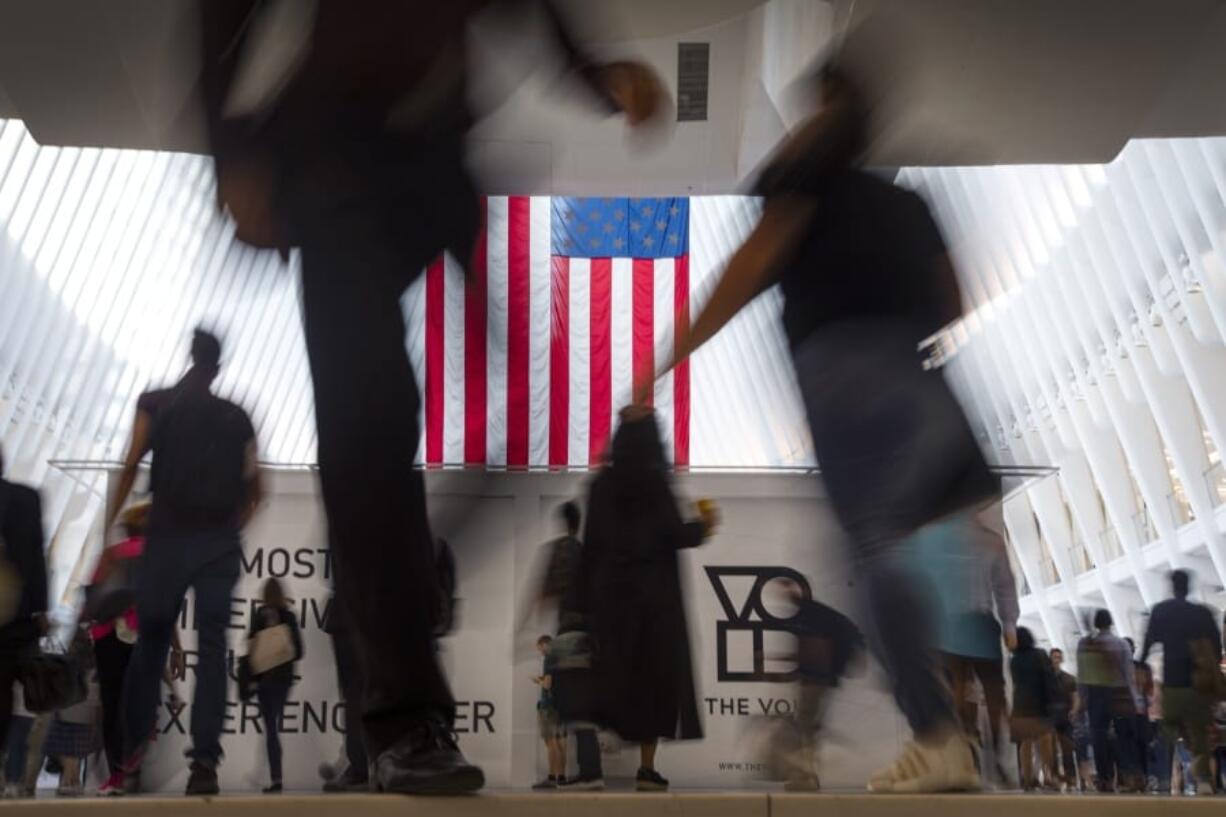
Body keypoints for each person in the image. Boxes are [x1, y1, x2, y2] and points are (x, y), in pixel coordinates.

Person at [198, 0, 664, 796]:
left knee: (392, 444)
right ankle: (401, 719)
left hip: (426, 173)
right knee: (370, 427)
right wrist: (229, 145)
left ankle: (393, 640)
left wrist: (593, 73)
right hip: (332, 162)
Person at [647, 63, 997, 793]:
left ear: (829, 113)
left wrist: (664, 359)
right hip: (920, 379)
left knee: (871, 553)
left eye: (810, 107)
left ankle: (935, 733)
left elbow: (747, 268)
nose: (798, 120)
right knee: (888, 554)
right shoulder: (904, 202)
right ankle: (922, 728)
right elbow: (955, 296)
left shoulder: (805, 175)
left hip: (847, 379)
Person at [106, 328, 263, 796]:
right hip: (216, 542)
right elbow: (258, 490)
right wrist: (229, 528)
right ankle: (204, 766)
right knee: (213, 649)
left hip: (167, 539)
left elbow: (133, 459)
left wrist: (109, 529)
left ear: (189, 359)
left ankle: (132, 754)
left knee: (150, 645)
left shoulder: (154, 403)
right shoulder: (238, 418)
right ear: (217, 367)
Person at [580, 408, 717, 792]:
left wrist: (582, 604)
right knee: (655, 683)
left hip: (612, 602)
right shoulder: (656, 483)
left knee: (614, 675)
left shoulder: (600, 485)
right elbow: (676, 534)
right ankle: (646, 768)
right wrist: (704, 526)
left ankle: (592, 764)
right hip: (655, 601)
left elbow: (590, 546)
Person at [906, 509, 1016, 785]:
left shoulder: (934, 538)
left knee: (968, 689)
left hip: (960, 622)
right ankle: (978, 750)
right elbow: (1004, 585)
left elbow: (1004, 585)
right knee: (982, 691)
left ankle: (978, 750)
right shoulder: (986, 541)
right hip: (966, 621)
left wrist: (1009, 623)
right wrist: (1009, 624)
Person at [526, 501, 604, 791]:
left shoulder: (559, 550)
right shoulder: (587, 553)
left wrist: (526, 625)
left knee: (571, 707)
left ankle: (590, 773)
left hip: (569, 635)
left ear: (562, 522)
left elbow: (543, 591)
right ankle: (591, 769)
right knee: (583, 706)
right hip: (589, 638)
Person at [1141, 569, 1222, 796]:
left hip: (1173, 684)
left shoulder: (1161, 611)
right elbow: (1216, 647)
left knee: (1167, 731)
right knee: (1199, 735)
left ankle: (1163, 778)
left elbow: (1147, 643)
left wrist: (1139, 665)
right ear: (1189, 587)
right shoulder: (1202, 613)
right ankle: (1204, 780)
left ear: (1171, 586)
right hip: (1197, 686)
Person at [0, 446, 48, 765]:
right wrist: (40, 608)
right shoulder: (25, 499)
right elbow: (35, 557)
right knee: (4, 690)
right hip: (13, 612)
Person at [250, 578, 305, 794]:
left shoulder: (258, 616)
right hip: (282, 679)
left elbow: (250, 647)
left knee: (270, 729)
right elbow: (299, 651)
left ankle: (275, 778)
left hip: (263, 679)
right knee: (275, 728)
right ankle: (276, 778)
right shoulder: (288, 617)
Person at [1076, 609, 1140, 793]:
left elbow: (1082, 675)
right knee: (1123, 737)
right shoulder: (1121, 645)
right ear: (1110, 623)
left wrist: (1082, 699)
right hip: (1119, 694)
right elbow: (1128, 675)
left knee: (1098, 737)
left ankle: (1105, 778)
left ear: (1096, 624)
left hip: (1096, 695)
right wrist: (1135, 700)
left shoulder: (1085, 644)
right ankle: (1127, 776)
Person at [1008, 628, 1058, 791]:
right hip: (1039, 704)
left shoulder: (1014, 660)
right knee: (1045, 743)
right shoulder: (1040, 654)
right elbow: (1049, 678)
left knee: (1026, 744)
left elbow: (1015, 684)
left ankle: (1027, 779)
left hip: (1021, 706)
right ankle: (1050, 777)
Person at [531, 635, 566, 789]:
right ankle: (562, 777)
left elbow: (547, 685)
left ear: (543, 644)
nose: (539, 651)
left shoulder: (549, 659)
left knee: (551, 742)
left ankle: (551, 777)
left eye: (539, 647)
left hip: (548, 706)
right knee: (560, 742)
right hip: (560, 704)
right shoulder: (560, 660)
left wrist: (537, 681)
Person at [1123, 636, 1154, 792]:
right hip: (1124, 712)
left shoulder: (1142, 667)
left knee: (1141, 745)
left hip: (1141, 712)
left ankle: (1144, 777)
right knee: (1128, 746)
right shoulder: (1117, 669)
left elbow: (1149, 689)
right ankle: (1134, 778)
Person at [1047, 647, 1079, 790]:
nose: (1056, 659)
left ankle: (1070, 777)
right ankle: (1055, 777)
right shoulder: (1045, 679)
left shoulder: (1069, 679)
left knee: (1067, 750)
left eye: (1058, 657)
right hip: (1050, 717)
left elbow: (1075, 697)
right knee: (1051, 750)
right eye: (1054, 656)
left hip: (1065, 717)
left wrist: (1074, 710)